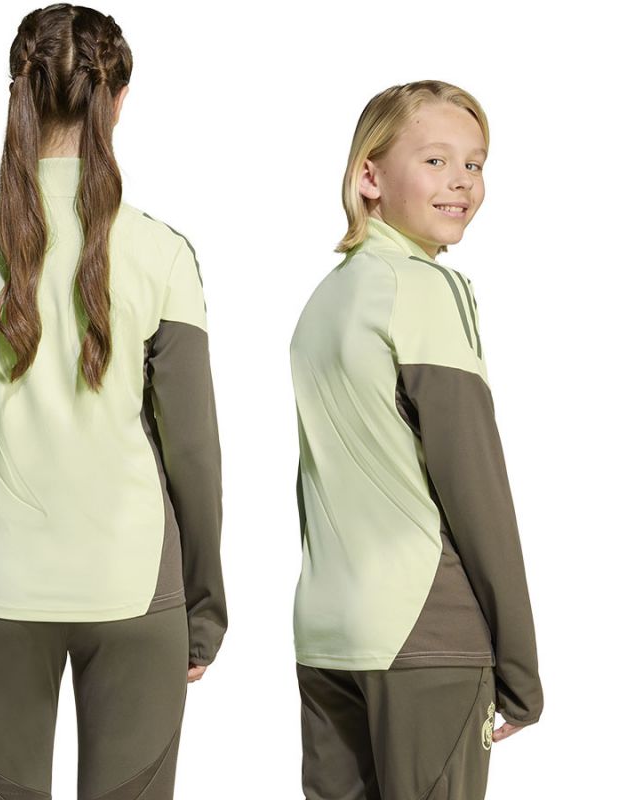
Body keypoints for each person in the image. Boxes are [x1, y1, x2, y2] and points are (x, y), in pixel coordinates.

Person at [0, 5, 226, 799]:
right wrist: (204, 610)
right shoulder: (162, 252)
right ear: (117, 100)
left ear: (17, 94)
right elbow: (194, 452)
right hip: (136, 588)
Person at [289, 80, 543, 800]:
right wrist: (521, 666)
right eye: (435, 160)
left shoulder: (325, 300)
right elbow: (475, 486)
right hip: (425, 632)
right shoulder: (426, 288)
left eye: (475, 163)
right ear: (368, 175)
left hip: (328, 630)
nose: (461, 180)